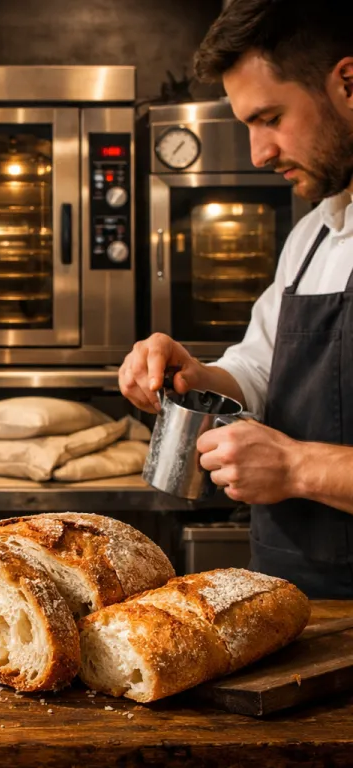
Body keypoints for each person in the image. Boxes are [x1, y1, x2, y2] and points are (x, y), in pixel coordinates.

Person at [119, 0, 353, 598]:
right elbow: (259, 370)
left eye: (270, 117)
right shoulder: (314, 236)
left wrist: (298, 467)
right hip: (299, 602)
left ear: (348, 84)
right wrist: (195, 374)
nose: (259, 153)